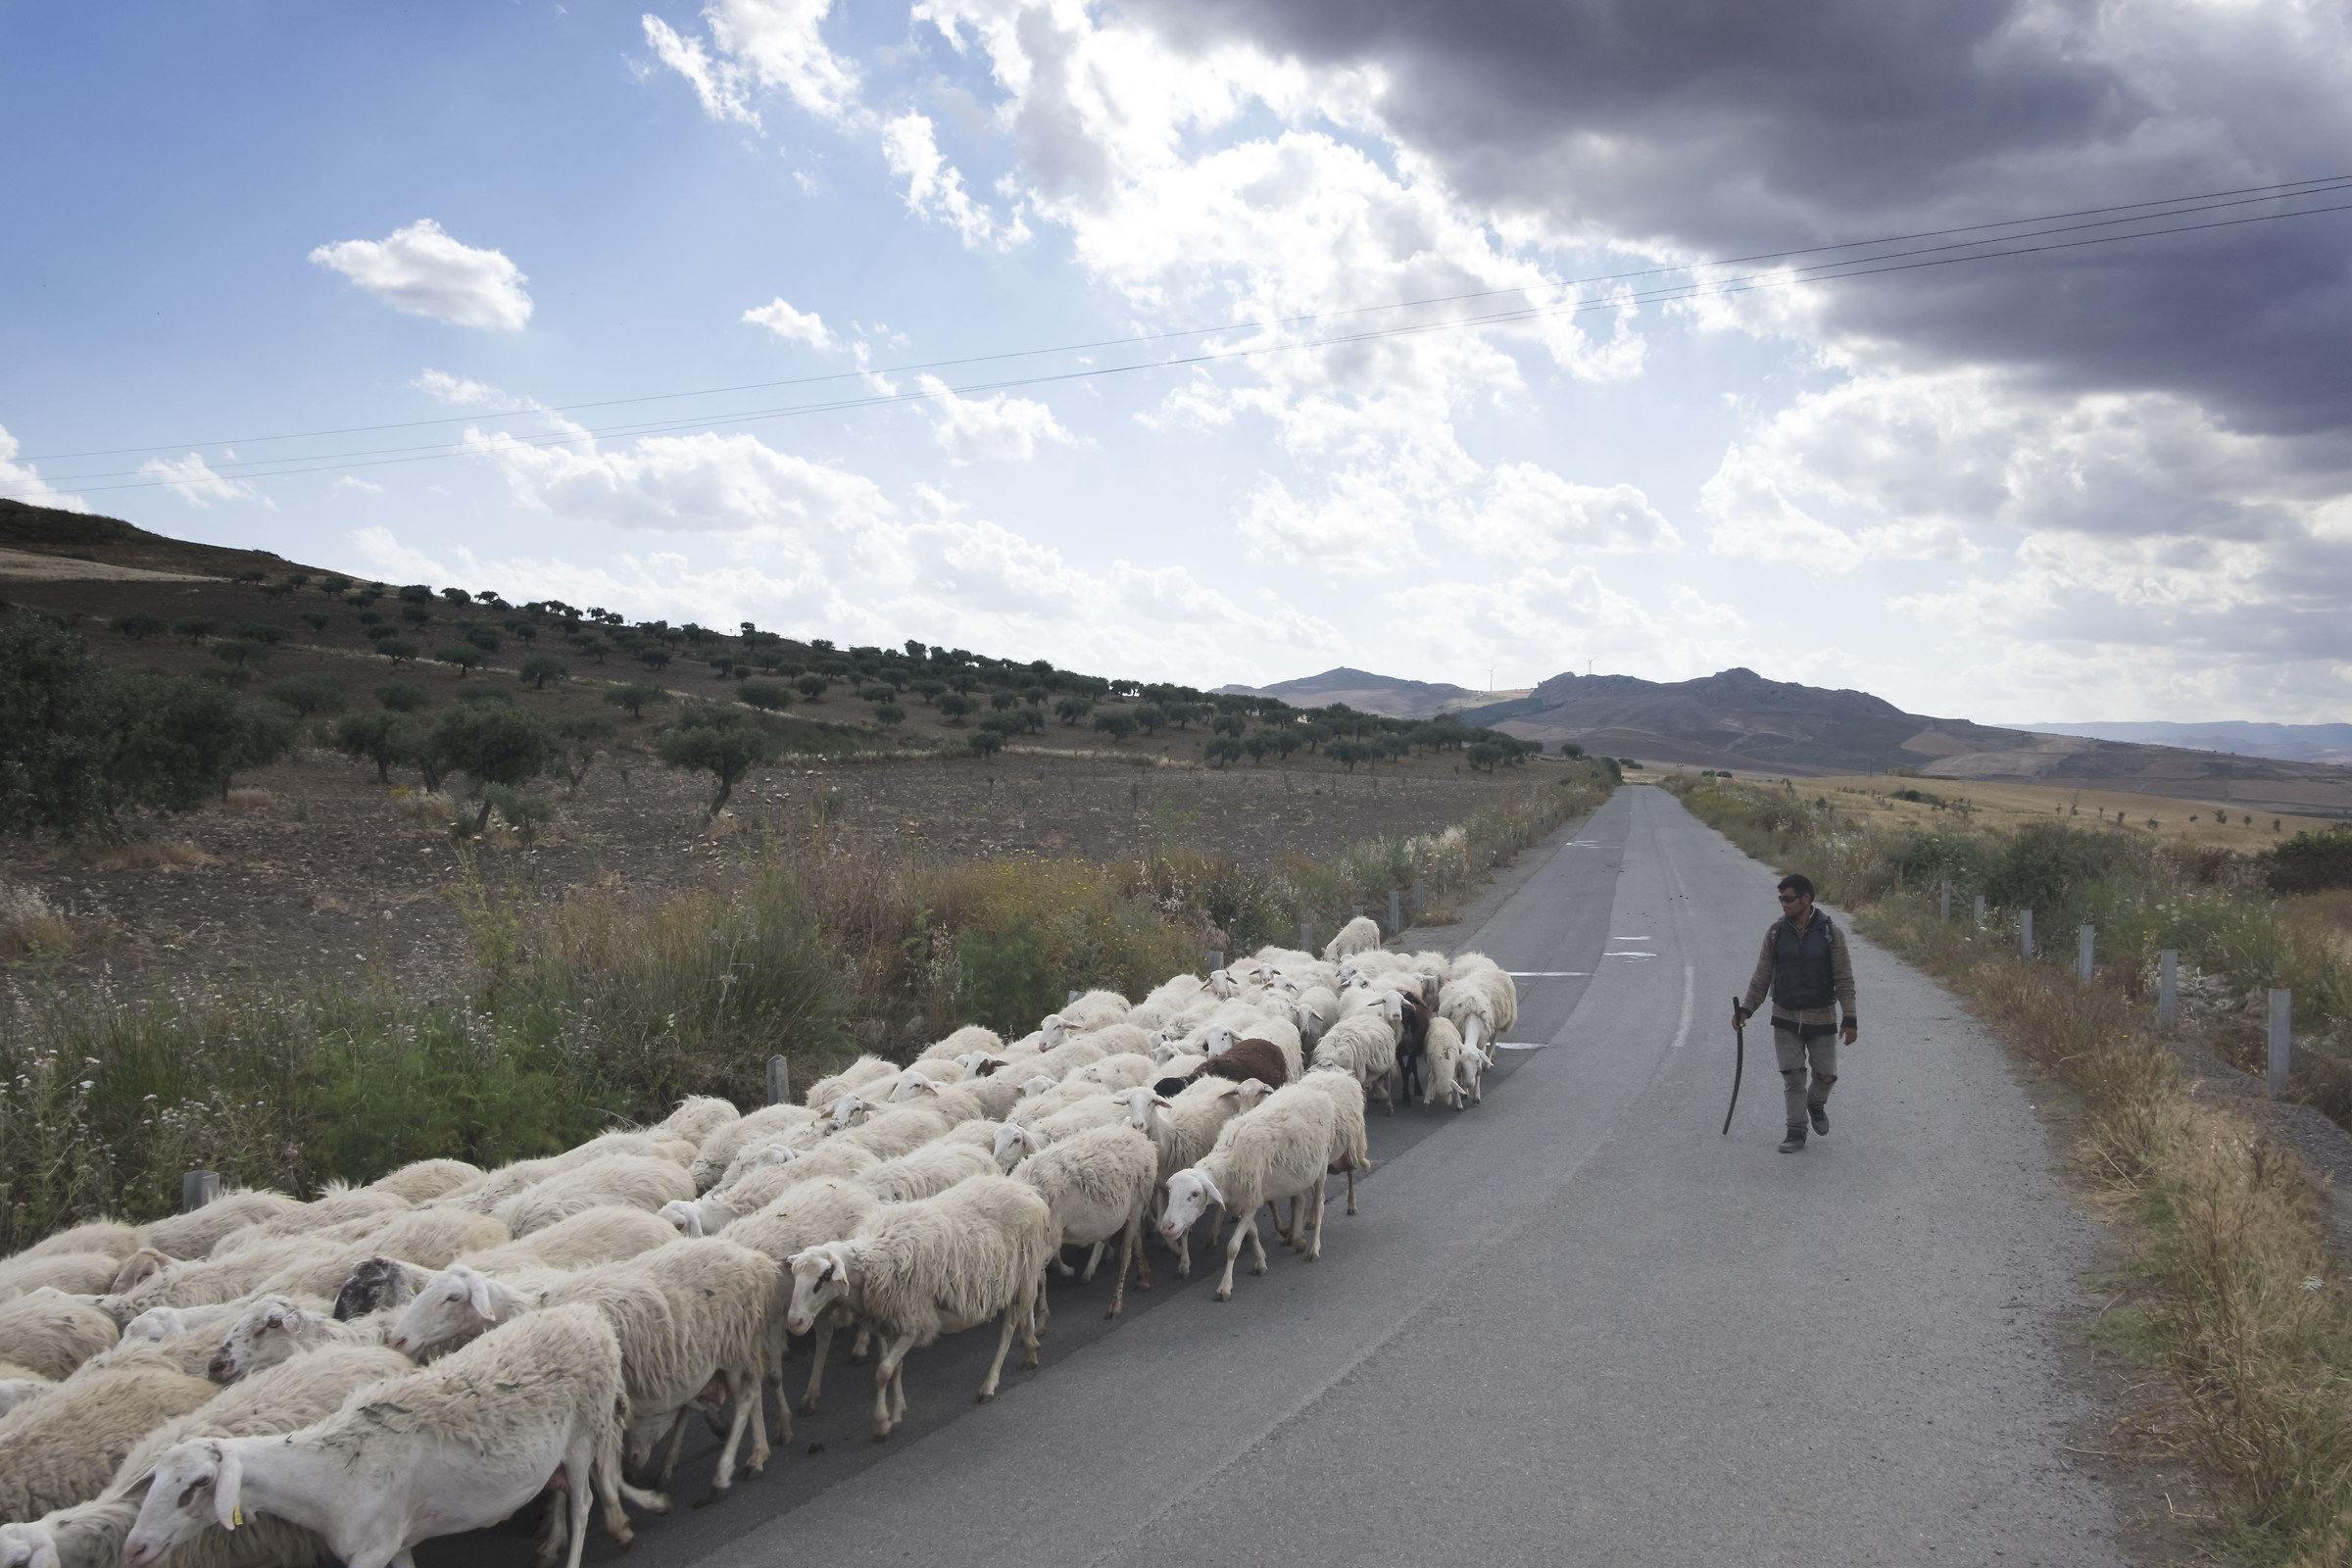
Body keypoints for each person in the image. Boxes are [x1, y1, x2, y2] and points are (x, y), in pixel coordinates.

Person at [1735, 873, 1857, 1153]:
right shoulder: (1775, 933)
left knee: (1826, 1076)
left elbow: (1844, 979)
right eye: (1781, 899)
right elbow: (1762, 976)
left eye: (1789, 899)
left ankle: (1815, 1103)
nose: (1784, 904)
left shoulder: (1831, 934)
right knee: (1793, 1077)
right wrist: (1746, 1009)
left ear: (1806, 899)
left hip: (1821, 1016)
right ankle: (1796, 1131)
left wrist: (1850, 1018)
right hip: (1785, 1016)